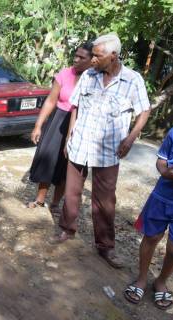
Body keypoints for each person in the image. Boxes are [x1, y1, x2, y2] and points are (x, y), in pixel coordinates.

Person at [51, 34, 151, 269]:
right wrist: (69, 137)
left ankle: (105, 246)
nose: (93, 59)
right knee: (72, 192)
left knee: (104, 201)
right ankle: (67, 229)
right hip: (80, 143)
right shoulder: (88, 75)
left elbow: (143, 111)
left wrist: (130, 138)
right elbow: (75, 107)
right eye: (92, 54)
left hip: (109, 150)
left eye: (97, 55)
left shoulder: (132, 80)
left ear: (113, 56)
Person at [27, 43, 93, 211]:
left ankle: (55, 204)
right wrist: (38, 125)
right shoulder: (65, 73)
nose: (76, 59)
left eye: (82, 57)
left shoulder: (94, 80)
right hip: (58, 120)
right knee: (48, 159)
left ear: (92, 60)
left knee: (67, 164)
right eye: (76, 55)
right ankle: (40, 199)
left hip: (80, 124)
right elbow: (51, 100)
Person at [124, 124, 173, 310]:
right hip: (161, 198)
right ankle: (142, 278)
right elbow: (162, 160)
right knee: (151, 237)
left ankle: (161, 281)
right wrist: (166, 173)